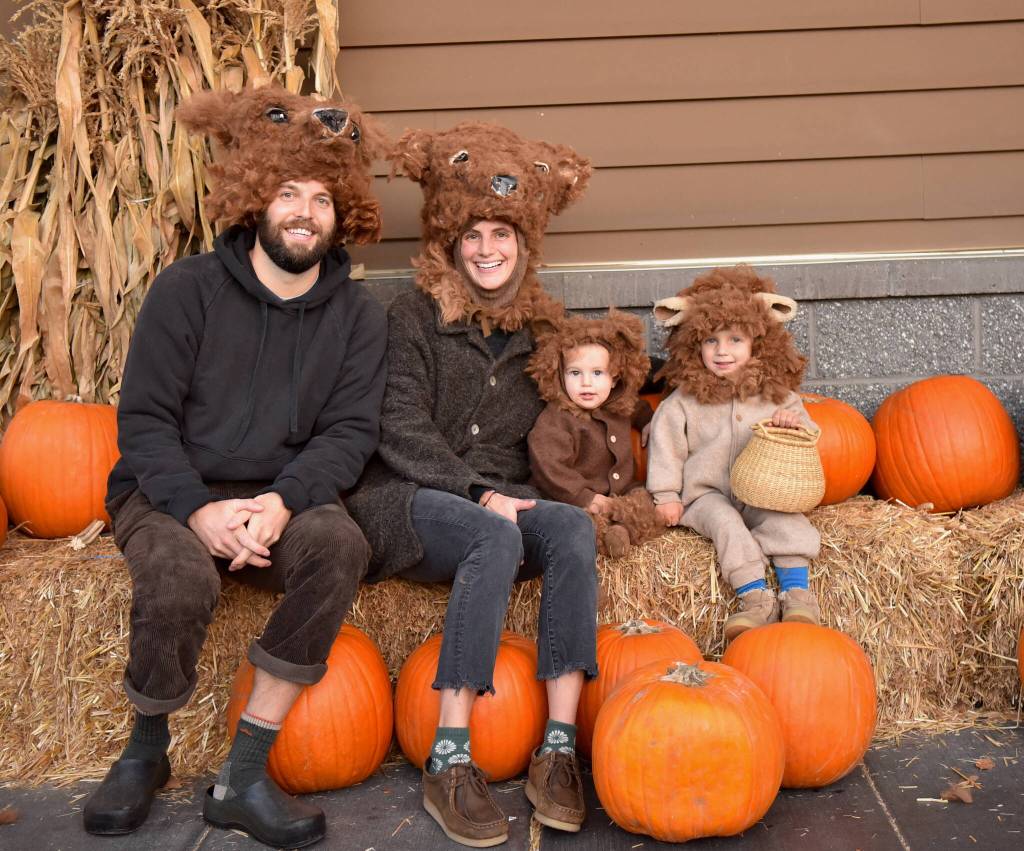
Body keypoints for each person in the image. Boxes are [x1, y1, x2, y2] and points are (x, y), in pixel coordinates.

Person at [83, 86, 388, 849]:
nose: (304, 212)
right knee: (180, 577)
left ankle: (243, 773)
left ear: (341, 211)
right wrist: (197, 511)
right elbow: (145, 422)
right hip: (172, 487)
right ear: (257, 196)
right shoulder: (187, 291)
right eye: (289, 192)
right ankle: (145, 749)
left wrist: (283, 503)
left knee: (341, 545)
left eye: (322, 198)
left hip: (279, 493)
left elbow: (349, 434)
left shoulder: (358, 317)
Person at [347, 122, 595, 847]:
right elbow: (397, 425)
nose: (488, 249)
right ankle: (450, 758)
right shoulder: (413, 316)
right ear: (451, 241)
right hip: (409, 499)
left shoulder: (543, 330)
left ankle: (557, 747)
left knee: (572, 529)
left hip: (502, 496)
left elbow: (577, 412)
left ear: (524, 243)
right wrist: (475, 490)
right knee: (493, 528)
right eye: (475, 235)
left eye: (503, 234)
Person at [646, 265, 821, 641]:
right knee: (725, 524)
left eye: (735, 340)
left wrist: (794, 423)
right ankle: (754, 597)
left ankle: (797, 594)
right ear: (694, 344)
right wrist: (665, 496)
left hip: (760, 492)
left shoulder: (776, 394)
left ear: (758, 342)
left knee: (784, 520)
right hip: (704, 495)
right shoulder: (683, 401)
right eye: (711, 341)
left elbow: (812, 434)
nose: (722, 351)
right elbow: (666, 448)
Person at [525, 309, 661, 558]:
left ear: (614, 378)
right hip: (575, 497)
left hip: (622, 491)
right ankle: (600, 538)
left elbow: (636, 407)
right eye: (575, 373)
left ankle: (622, 531)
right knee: (577, 523)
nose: (586, 383)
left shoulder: (616, 404)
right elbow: (549, 467)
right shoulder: (557, 419)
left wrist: (648, 421)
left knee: (645, 501)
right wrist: (584, 497)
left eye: (597, 373)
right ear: (560, 375)